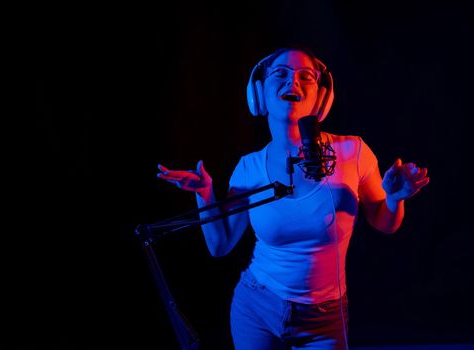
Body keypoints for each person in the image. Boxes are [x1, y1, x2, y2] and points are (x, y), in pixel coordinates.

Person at [156, 45, 430, 350]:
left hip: (324, 318)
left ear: (321, 98)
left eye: (305, 77)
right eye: (281, 74)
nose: (293, 82)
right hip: (256, 307)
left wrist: (395, 198)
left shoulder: (353, 153)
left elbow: (385, 222)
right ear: (259, 94)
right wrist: (205, 195)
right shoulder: (249, 168)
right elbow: (220, 245)